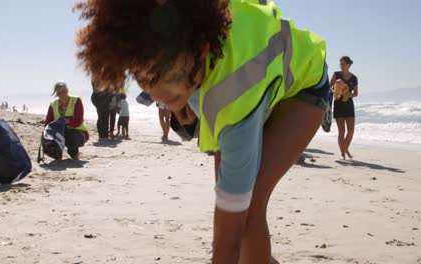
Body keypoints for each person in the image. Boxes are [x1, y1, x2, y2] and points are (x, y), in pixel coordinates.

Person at [75, 1, 328, 263]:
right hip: (251, 83)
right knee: (234, 208)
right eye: (142, 77)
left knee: (248, 211)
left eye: (165, 73)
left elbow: (226, 245)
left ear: (201, 48)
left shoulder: (232, 100)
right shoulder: (182, 43)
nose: (157, 94)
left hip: (303, 85)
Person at [44, 81, 89, 160]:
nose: (62, 95)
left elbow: (79, 121)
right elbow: (48, 123)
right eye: (59, 93)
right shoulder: (53, 104)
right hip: (60, 133)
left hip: (78, 132)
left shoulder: (76, 101)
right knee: (50, 138)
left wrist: (67, 121)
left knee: (71, 137)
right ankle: (57, 155)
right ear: (56, 94)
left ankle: (75, 155)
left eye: (64, 91)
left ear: (67, 90)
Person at [331, 56, 358, 160]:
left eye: (343, 64)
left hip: (349, 105)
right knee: (341, 131)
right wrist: (336, 92)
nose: (341, 66)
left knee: (351, 131)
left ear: (349, 65)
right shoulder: (336, 75)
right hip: (338, 104)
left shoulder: (354, 78)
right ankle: (343, 153)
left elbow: (355, 93)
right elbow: (330, 87)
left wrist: (348, 95)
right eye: (340, 64)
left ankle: (345, 148)